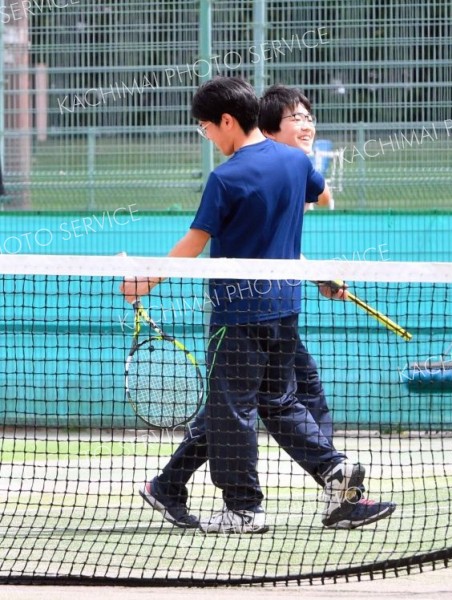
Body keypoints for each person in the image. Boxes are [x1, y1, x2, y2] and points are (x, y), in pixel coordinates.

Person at [121, 77, 392, 534]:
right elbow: (319, 194)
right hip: (286, 307)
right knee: (279, 401)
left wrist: (142, 281)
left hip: (237, 315)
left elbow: (194, 242)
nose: (207, 136)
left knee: (232, 412)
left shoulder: (225, 178)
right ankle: (333, 470)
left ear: (227, 121)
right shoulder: (294, 161)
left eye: (207, 127)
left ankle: (242, 508)